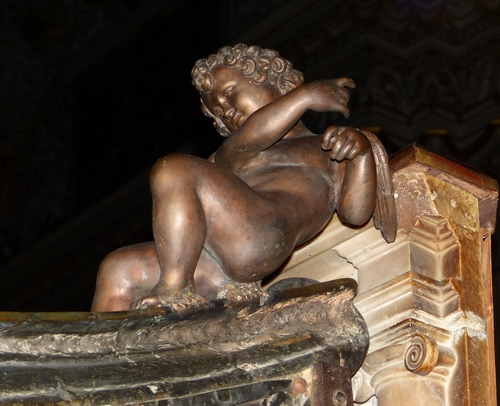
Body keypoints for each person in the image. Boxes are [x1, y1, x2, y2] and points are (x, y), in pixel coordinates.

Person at [91, 44, 395, 312]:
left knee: (174, 168)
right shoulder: (234, 154)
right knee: (117, 269)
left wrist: (361, 155)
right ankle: (98, 351)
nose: (227, 111)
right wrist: (306, 96)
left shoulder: (324, 148)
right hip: (213, 262)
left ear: (279, 83)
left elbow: (355, 214)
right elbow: (250, 139)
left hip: (265, 235)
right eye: (218, 111)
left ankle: (175, 289)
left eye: (229, 94)